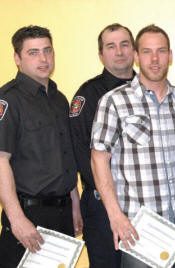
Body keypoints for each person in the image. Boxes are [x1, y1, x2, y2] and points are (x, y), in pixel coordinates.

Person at [90, 24, 175, 268]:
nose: (155, 58)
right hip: (141, 230)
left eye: (161, 51)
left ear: (170, 56)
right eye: (147, 52)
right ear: (137, 57)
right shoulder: (114, 101)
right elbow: (98, 159)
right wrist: (115, 215)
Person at [0, 25, 82, 268]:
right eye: (33, 52)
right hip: (29, 215)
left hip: (62, 213)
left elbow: (65, 158)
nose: (43, 58)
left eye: (47, 50)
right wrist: (17, 219)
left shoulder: (59, 99)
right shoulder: (9, 100)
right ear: (17, 58)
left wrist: (74, 205)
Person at [69, 23, 135, 268]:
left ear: (134, 50)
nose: (119, 51)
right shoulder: (89, 95)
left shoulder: (148, 90)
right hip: (102, 206)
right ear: (101, 54)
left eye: (124, 44)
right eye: (111, 46)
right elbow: (81, 151)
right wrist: (111, 198)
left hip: (141, 204)